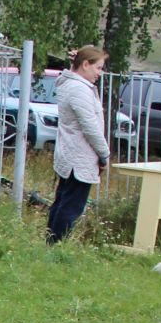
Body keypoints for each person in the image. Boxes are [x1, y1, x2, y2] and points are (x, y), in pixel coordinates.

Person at [48, 45, 112, 244]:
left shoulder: (70, 83)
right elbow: (90, 127)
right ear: (85, 64)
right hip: (79, 156)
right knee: (70, 206)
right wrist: (104, 154)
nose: (100, 73)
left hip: (70, 152)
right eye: (98, 68)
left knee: (63, 201)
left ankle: (51, 243)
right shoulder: (79, 89)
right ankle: (56, 246)